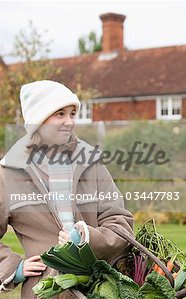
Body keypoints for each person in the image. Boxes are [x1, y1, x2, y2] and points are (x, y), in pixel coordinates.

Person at [0, 80, 134, 298]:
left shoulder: (92, 164)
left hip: (99, 288)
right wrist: (12, 268)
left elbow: (121, 224)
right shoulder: (9, 172)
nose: (69, 122)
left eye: (72, 114)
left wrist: (86, 238)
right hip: (45, 292)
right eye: (60, 114)